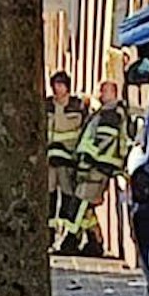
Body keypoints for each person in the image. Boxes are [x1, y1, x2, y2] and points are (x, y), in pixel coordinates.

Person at [64, 80, 131, 258]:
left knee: (80, 203)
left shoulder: (111, 113)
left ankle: (71, 239)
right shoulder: (107, 112)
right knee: (87, 208)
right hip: (97, 166)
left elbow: (103, 142)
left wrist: (86, 160)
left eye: (104, 91)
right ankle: (95, 240)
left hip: (98, 166)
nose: (100, 95)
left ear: (113, 93)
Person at [46, 71, 89, 251]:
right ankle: (48, 234)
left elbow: (85, 129)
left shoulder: (77, 106)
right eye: (55, 84)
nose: (58, 88)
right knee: (49, 196)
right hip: (49, 158)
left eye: (61, 84)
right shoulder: (47, 105)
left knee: (67, 196)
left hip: (69, 159)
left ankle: (67, 236)